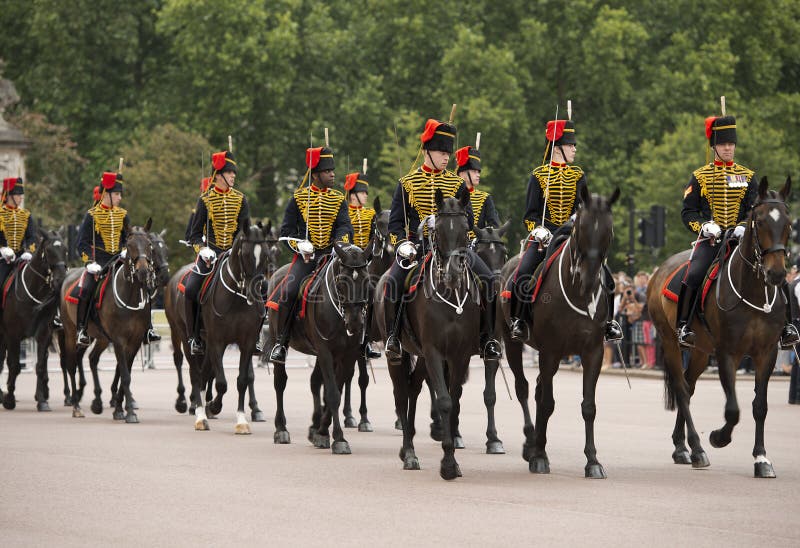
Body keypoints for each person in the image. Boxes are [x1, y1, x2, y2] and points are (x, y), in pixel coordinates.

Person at [677, 114, 800, 348]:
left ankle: (787, 326)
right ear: (714, 146)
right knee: (694, 274)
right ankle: (683, 325)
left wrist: (743, 226)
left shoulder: (748, 177)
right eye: (723, 144)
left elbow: (755, 209)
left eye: (731, 144)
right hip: (712, 241)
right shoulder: (701, 176)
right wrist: (704, 226)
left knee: (777, 272)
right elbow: (688, 212)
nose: (728, 148)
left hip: (742, 239)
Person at [384, 118, 502, 360]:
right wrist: (402, 244)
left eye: (449, 152)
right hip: (418, 248)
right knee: (392, 283)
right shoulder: (407, 183)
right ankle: (393, 337)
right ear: (427, 150)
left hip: (454, 249)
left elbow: (468, 221)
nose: (446, 156)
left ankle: (487, 338)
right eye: (441, 151)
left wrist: (465, 239)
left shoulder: (457, 183)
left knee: (489, 280)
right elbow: (396, 225)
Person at [505, 118, 622, 343]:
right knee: (522, 273)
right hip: (545, 236)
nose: (575, 149)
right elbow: (529, 214)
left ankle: (608, 323)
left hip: (571, 234)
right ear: (557, 148)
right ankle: (519, 320)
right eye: (570, 145)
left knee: (606, 276)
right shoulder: (539, 175)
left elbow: (582, 205)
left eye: (573, 145)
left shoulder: (577, 175)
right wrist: (537, 230)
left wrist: (580, 216)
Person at [267, 146, 352, 365]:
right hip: (307, 258)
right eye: (327, 171)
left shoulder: (339, 199)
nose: (332, 174)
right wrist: (301, 245)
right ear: (315, 175)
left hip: (332, 256)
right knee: (288, 290)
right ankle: (281, 341)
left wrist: (339, 244)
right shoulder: (298, 198)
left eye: (332, 170)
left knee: (358, 286)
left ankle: (361, 338)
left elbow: (345, 226)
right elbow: (286, 232)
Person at [185, 150, 250, 355]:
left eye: (234, 174)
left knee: (259, 285)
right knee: (191, 288)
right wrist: (202, 250)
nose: (233, 177)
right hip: (210, 255)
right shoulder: (205, 200)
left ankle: (255, 335)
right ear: (218, 175)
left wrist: (239, 251)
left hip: (234, 255)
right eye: (230, 173)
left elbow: (245, 231)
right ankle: (195, 336)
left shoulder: (241, 199)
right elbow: (194, 235)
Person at [75, 172, 131, 346]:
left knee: (141, 281)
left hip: (120, 260)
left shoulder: (123, 215)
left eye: (120, 194)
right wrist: (89, 263)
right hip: (99, 262)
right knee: (86, 290)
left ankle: (148, 327)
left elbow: (127, 239)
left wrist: (125, 250)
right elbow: (81, 243)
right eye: (117, 194)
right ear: (106, 194)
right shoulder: (91, 215)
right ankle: (81, 329)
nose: (120, 198)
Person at [344, 168, 381, 359]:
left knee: (375, 293)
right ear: (352, 194)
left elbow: (374, 239)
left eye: (366, 193)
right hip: (346, 262)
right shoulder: (343, 211)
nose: (365, 196)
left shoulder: (370, 214)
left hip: (364, 264)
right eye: (361, 192)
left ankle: (368, 340)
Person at [0, 177, 37, 299]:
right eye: (18, 194)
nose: (21, 197)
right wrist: (2, 249)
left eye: (21, 194)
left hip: (22, 258)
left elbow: (31, 237)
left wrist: (29, 251)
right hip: (3, 259)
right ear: (9, 195)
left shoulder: (26, 215)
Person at [454, 145, 500, 237]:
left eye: (478, 172)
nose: (478, 175)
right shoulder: (452, 195)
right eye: (474, 171)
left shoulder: (485, 198)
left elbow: (494, 226)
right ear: (462, 173)